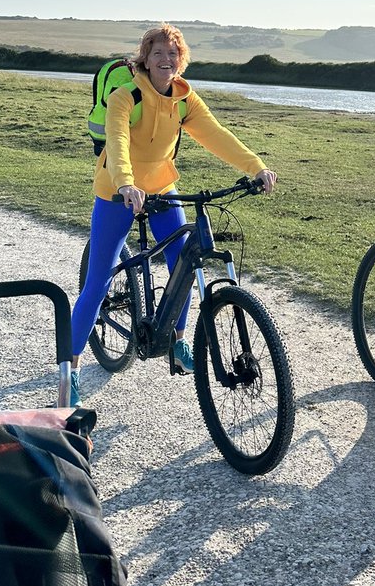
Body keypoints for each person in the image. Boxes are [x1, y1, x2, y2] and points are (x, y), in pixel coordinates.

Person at [70, 23, 277, 405]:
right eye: (158, 53)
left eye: (173, 54)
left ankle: (179, 343)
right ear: (145, 60)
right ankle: (71, 370)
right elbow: (115, 144)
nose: (166, 60)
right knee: (97, 282)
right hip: (117, 190)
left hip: (163, 188)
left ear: (182, 61)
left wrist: (255, 166)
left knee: (184, 262)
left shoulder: (184, 99)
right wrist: (126, 183)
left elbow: (216, 135)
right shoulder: (125, 96)